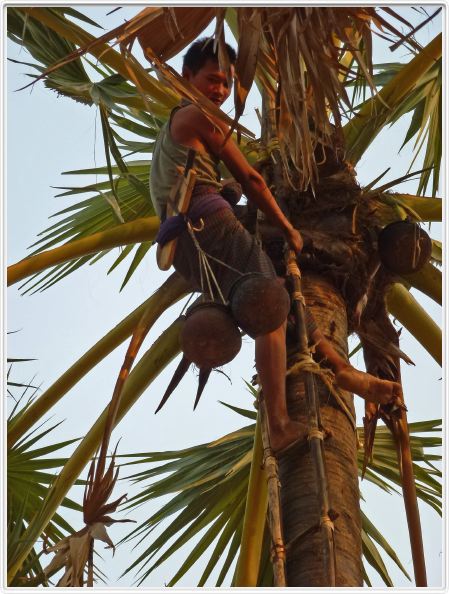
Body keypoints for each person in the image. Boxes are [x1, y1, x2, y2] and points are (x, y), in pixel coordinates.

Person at [141, 36, 403, 455]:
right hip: (210, 227)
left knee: (278, 291)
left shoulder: (171, 130)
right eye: (212, 80)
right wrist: (288, 228)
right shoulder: (197, 116)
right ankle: (280, 423)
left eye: (227, 84)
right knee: (270, 309)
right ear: (186, 77)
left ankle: (339, 368)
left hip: (187, 249)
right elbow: (253, 179)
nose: (221, 92)